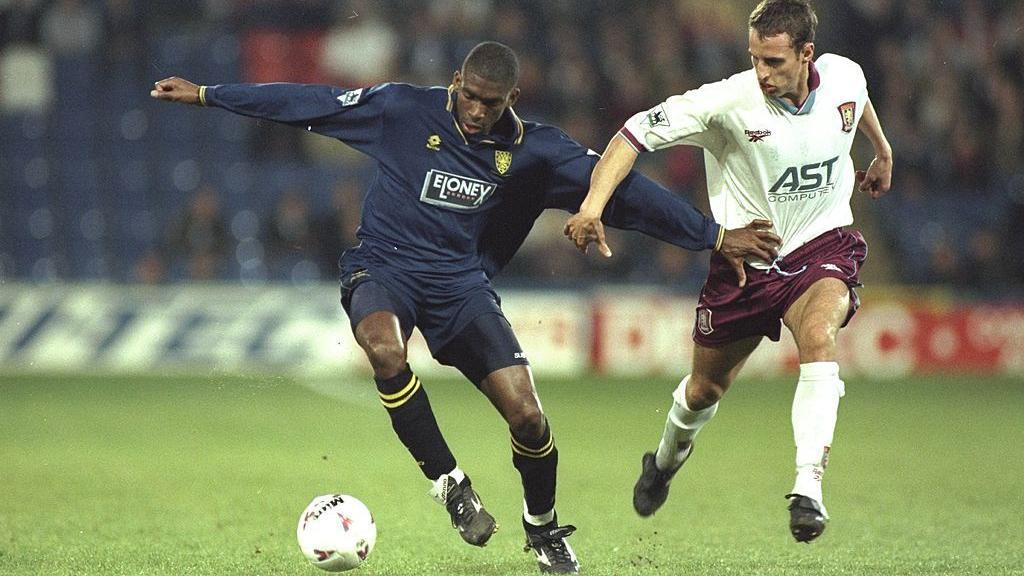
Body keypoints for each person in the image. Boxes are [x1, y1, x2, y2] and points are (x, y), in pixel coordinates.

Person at [151, 41, 780, 573]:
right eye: (469, 96)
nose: (476, 112)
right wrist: (211, 94)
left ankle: (543, 528)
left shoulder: (537, 153)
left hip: (460, 286)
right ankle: (450, 485)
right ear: (455, 83)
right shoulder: (402, 109)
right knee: (383, 347)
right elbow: (308, 103)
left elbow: (626, 194)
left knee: (528, 416)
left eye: (491, 102)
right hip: (385, 265)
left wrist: (713, 236)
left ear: (511, 99)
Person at [565, 0, 892, 544]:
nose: (761, 73)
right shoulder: (726, 102)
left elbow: (856, 102)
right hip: (745, 266)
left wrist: (881, 151)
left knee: (818, 336)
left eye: (773, 61)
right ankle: (664, 463)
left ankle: (807, 488)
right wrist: (593, 206)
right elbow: (630, 134)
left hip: (821, 245)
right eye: (755, 59)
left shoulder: (844, 75)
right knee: (703, 390)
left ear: (806, 54)